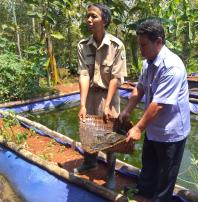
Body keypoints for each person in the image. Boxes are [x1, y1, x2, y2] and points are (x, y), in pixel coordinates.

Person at [119, 19, 190, 201]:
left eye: (143, 45)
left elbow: (159, 104)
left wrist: (138, 128)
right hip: (153, 128)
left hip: (171, 131)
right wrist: (127, 110)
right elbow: (140, 88)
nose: (140, 51)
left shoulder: (172, 66)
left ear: (158, 42)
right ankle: (143, 193)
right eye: (139, 45)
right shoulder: (148, 62)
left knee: (166, 175)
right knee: (149, 165)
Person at [75, 3, 127, 190]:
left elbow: (115, 78)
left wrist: (107, 106)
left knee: (110, 134)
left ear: (104, 20)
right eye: (88, 16)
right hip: (90, 95)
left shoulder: (116, 46)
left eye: (93, 16)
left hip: (109, 96)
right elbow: (83, 74)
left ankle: (111, 172)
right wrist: (82, 105)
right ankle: (90, 162)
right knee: (89, 130)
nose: (89, 20)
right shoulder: (82, 45)